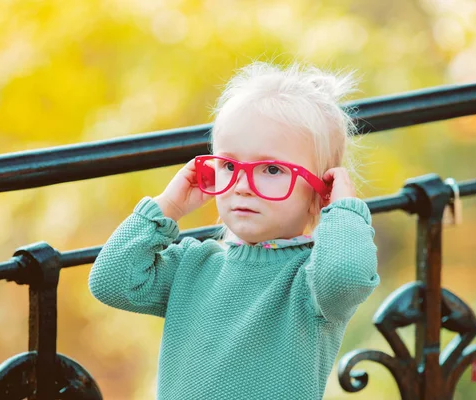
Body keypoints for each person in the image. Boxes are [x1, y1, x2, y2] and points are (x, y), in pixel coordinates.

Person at [88, 61, 380, 400]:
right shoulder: (194, 265)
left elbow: (347, 277)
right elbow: (111, 280)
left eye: (271, 169)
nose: (241, 185)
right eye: (228, 165)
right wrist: (168, 205)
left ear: (320, 190)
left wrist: (342, 210)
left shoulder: (311, 280)